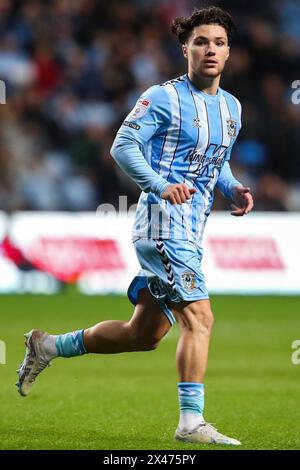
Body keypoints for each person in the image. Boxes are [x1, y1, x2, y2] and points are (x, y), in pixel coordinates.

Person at [16, 6, 254, 446]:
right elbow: (122, 147)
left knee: (143, 335)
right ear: (185, 48)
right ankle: (190, 422)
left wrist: (234, 186)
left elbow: (216, 162)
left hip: (192, 229)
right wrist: (159, 185)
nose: (210, 50)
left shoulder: (232, 108)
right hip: (162, 225)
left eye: (219, 42)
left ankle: (47, 346)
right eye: (201, 41)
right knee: (200, 318)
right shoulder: (162, 97)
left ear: (228, 51)